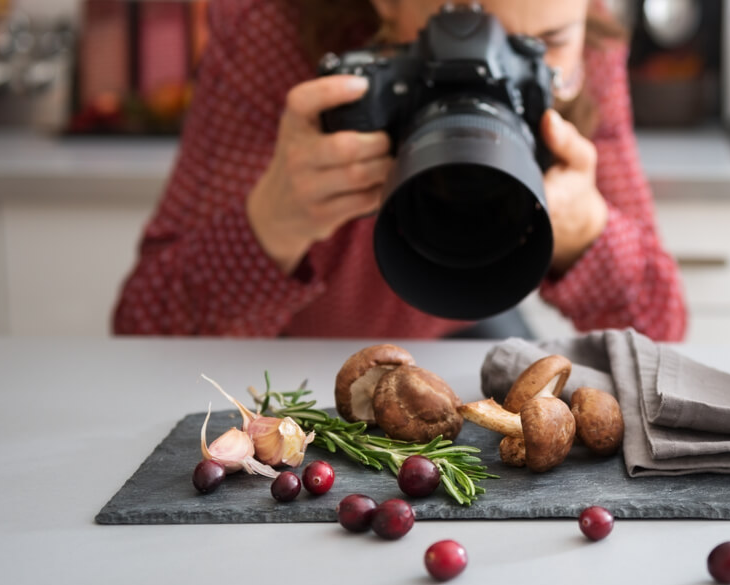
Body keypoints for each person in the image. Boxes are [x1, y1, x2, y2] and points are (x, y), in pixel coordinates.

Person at [112, 0, 687, 341]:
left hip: (468, 320)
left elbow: (662, 329)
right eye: (457, 33)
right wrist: (271, 223)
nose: (490, 73)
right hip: (280, 354)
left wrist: (588, 233)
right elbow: (144, 329)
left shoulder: (584, 40)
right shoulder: (272, 30)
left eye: (543, 44)